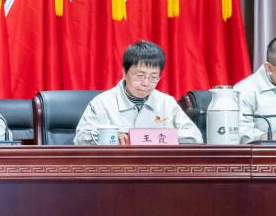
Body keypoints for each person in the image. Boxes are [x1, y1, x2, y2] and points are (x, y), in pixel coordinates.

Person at [74, 40, 203, 144]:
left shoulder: (166, 103)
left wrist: (159, 136)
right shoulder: (102, 103)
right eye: (140, 75)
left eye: (153, 77)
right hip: (118, 166)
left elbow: (195, 137)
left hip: (156, 167)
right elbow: (81, 139)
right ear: (124, 72)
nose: (146, 83)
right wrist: (111, 137)